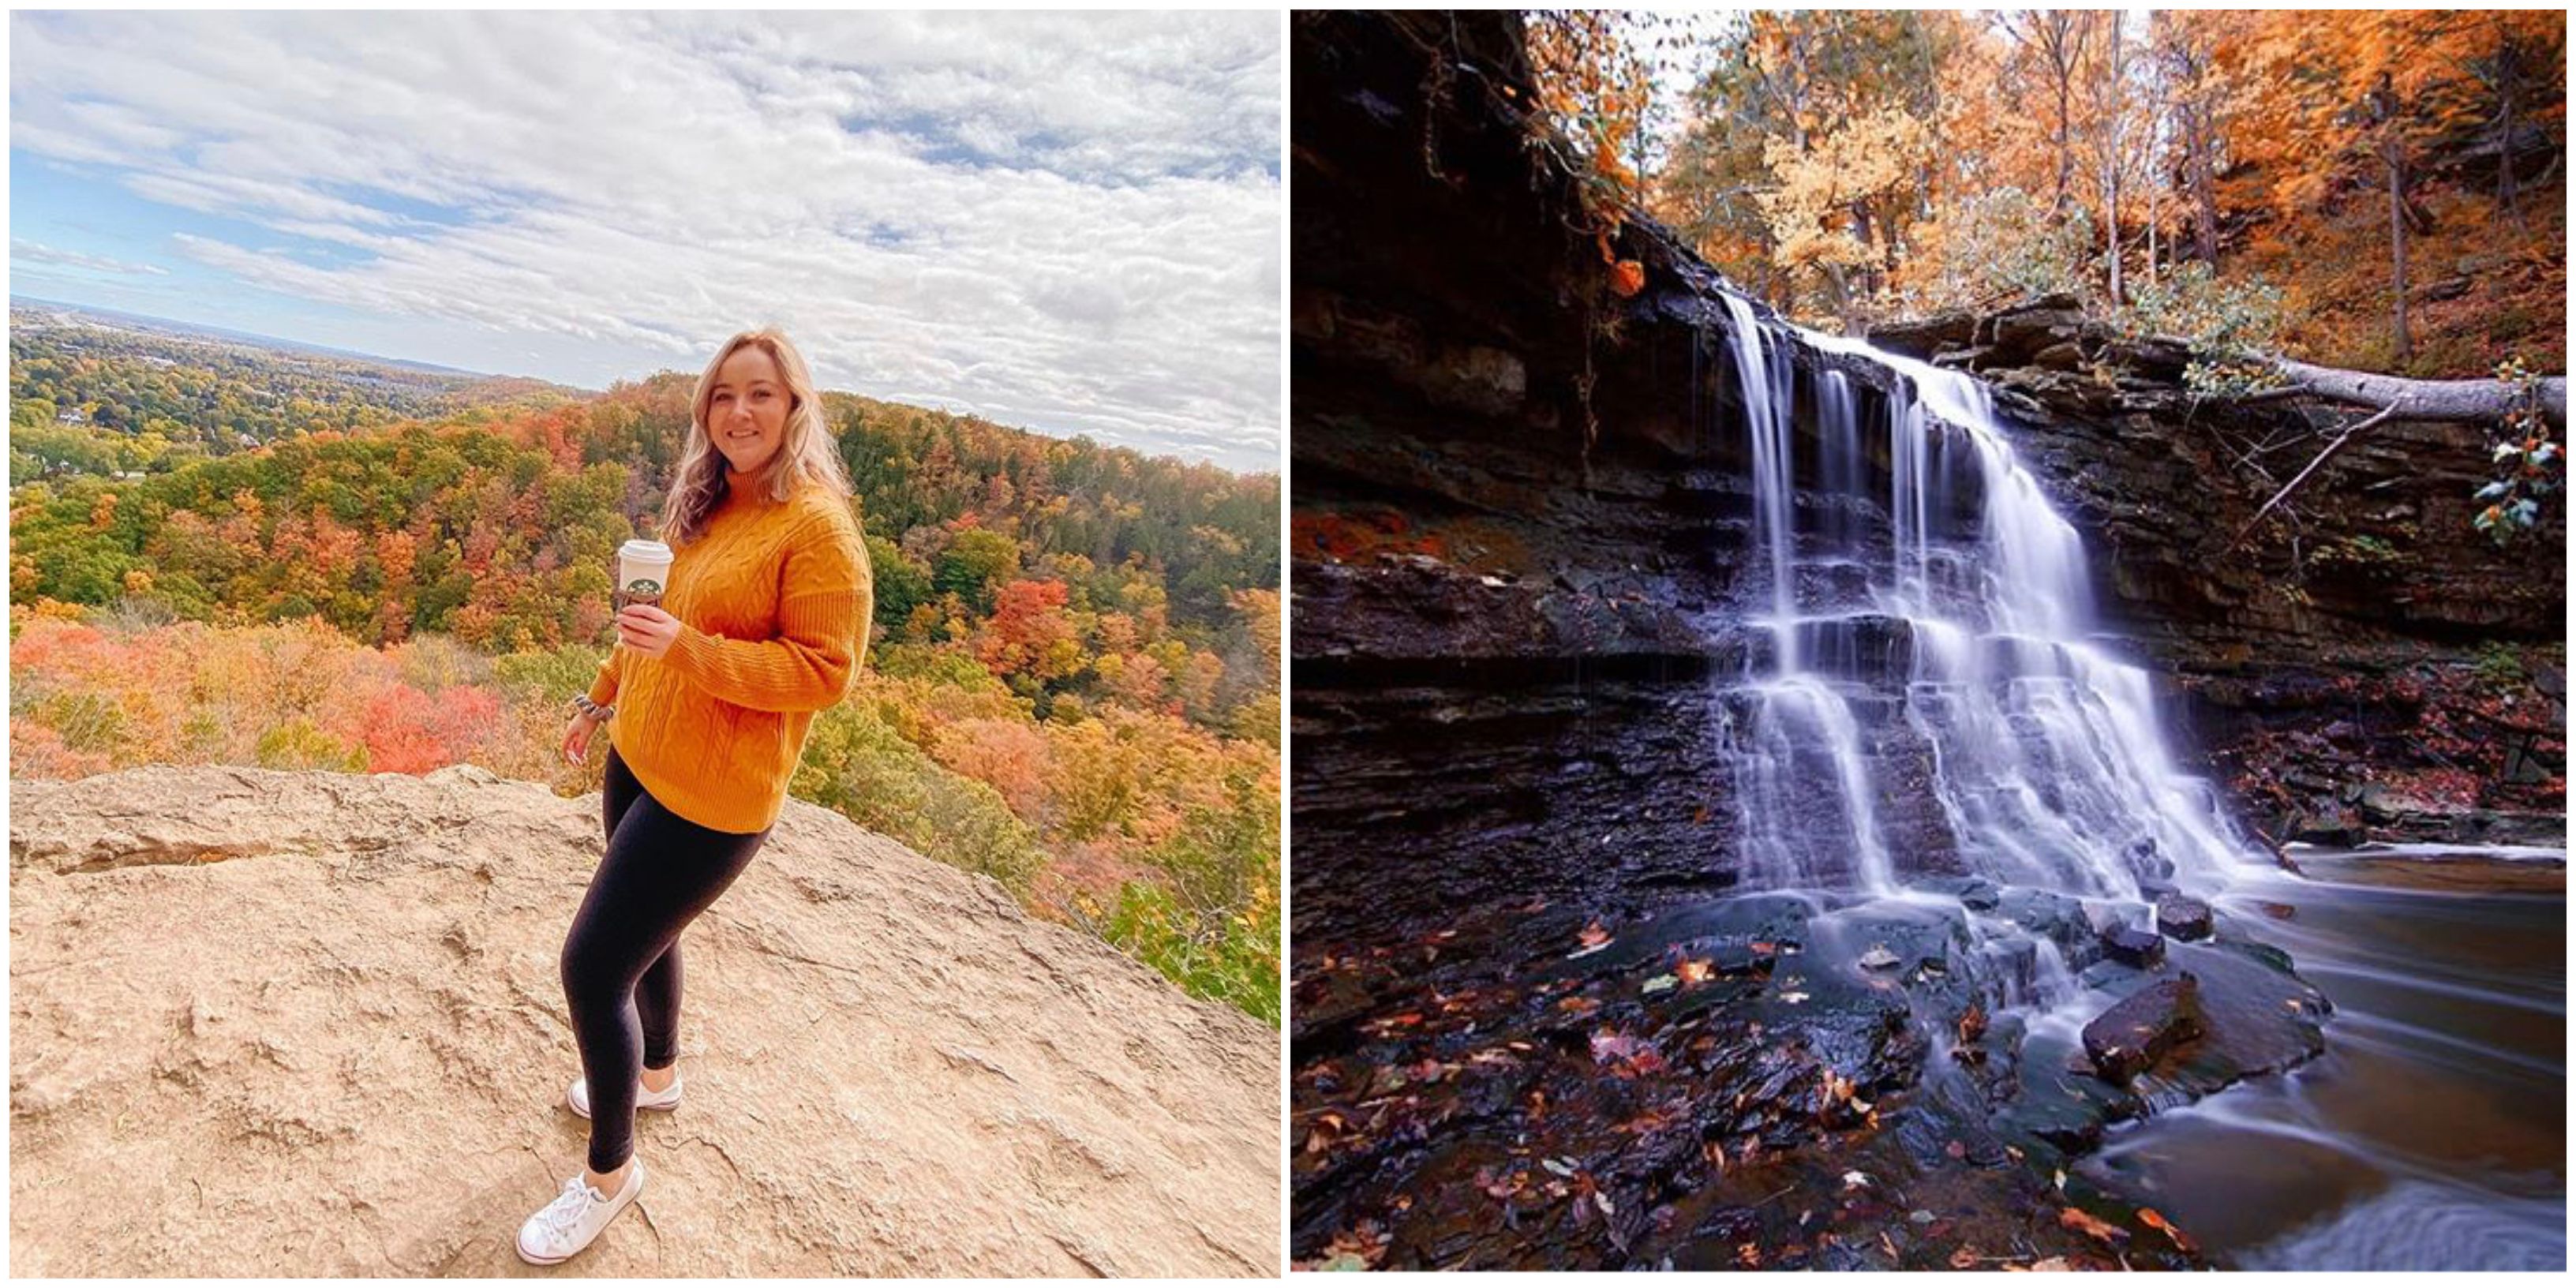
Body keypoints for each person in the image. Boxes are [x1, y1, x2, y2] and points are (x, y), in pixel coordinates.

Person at [516, 328, 873, 1265]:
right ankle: (657, 1076)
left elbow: (825, 673)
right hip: (640, 754)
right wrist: (601, 696)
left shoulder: (818, 528)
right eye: (723, 395)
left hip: (715, 795)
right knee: (649, 940)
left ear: (795, 407)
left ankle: (609, 1177)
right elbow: (648, 625)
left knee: (592, 969)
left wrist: (690, 651)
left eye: (760, 394)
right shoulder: (710, 502)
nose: (739, 412)